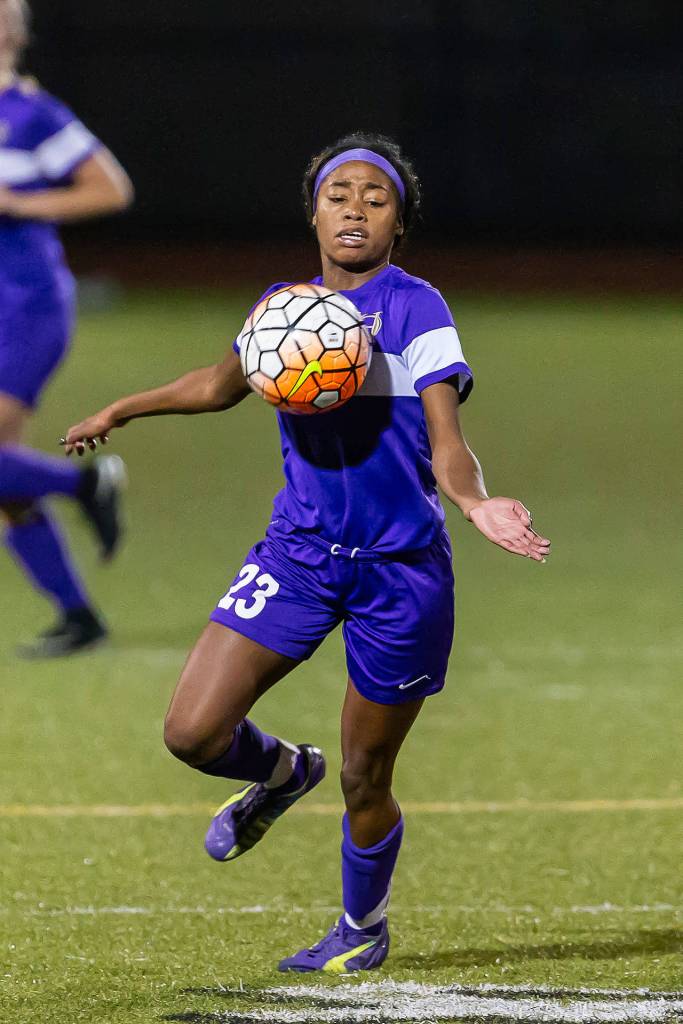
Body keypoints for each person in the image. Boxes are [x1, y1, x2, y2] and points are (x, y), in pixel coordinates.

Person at [64, 133, 550, 972]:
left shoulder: (416, 308)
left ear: (399, 223)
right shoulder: (283, 307)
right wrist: (126, 406)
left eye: (375, 196)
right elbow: (220, 385)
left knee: (367, 776)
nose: (354, 207)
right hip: (298, 555)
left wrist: (473, 501)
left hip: (399, 574)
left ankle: (361, 929)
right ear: (312, 211)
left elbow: (447, 442)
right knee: (192, 732)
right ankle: (285, 772)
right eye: (338, 193)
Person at [0, 0, 133, 657]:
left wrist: (18, 202)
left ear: (14, 33)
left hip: (25, 306)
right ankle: (78, 615)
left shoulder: (33, 114)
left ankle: (87, 482)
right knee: (5, 482)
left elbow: (110, 189)